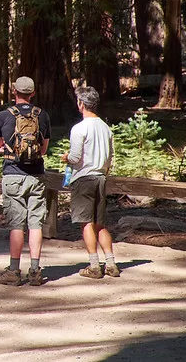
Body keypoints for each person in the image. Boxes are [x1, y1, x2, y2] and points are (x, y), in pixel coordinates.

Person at [0, 76, 51, 286]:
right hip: (36, 176)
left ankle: (14, 270)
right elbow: (43, 150)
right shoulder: (42, 115)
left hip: (13, 174)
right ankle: (35, 270)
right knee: (35, 224)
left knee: (17, 225)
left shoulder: (3, 116)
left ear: (13, 91)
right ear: (33, 93)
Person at [61, 86, 118, 279]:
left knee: (86, 223)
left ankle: (94, 265)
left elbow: (76, 157)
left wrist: (66, 157)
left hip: (84, 178)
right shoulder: (105, 127)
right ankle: (111, 263)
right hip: (101, 177)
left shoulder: (79, 128)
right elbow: (110, 156)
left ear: (81, 104)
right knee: (100, 223)